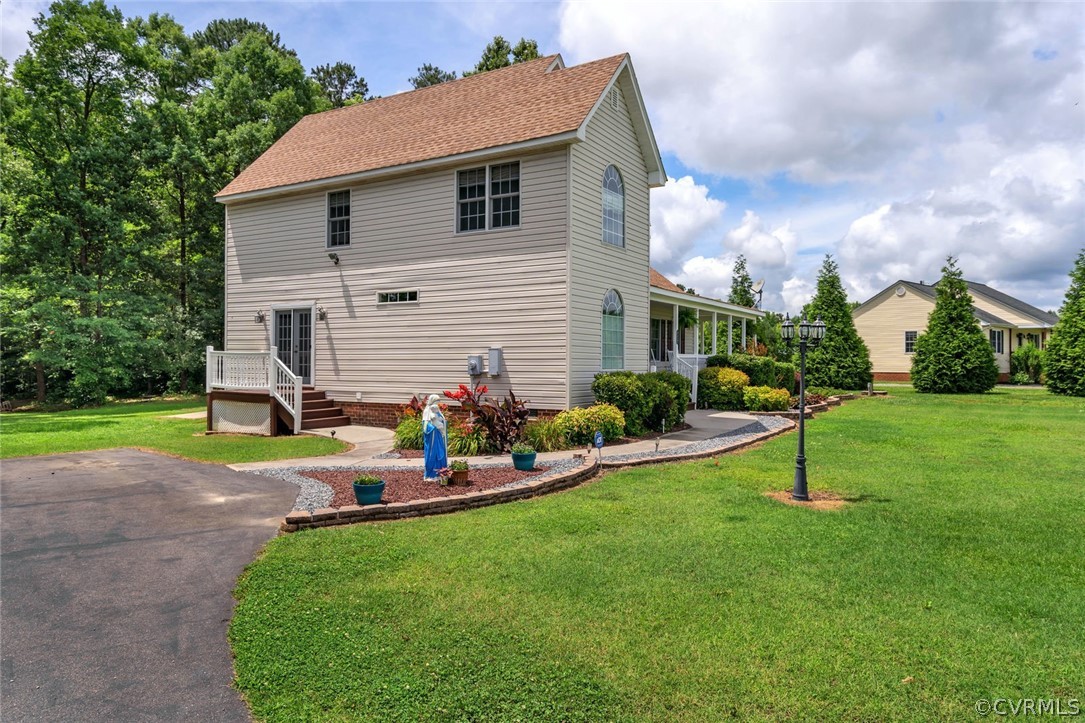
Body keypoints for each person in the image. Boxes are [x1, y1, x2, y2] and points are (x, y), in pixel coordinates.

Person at [421, 394, 448, 481]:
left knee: (441, 453)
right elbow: (425, 426)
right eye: (436, 402)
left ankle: (441, 473)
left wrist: (442, 424)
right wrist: (434, 427)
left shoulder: (437, 411)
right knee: (432, 454)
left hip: (439, 436)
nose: (437, 404)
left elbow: (442, 420)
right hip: (432, 438)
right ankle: (431, 474)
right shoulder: (427, 411)